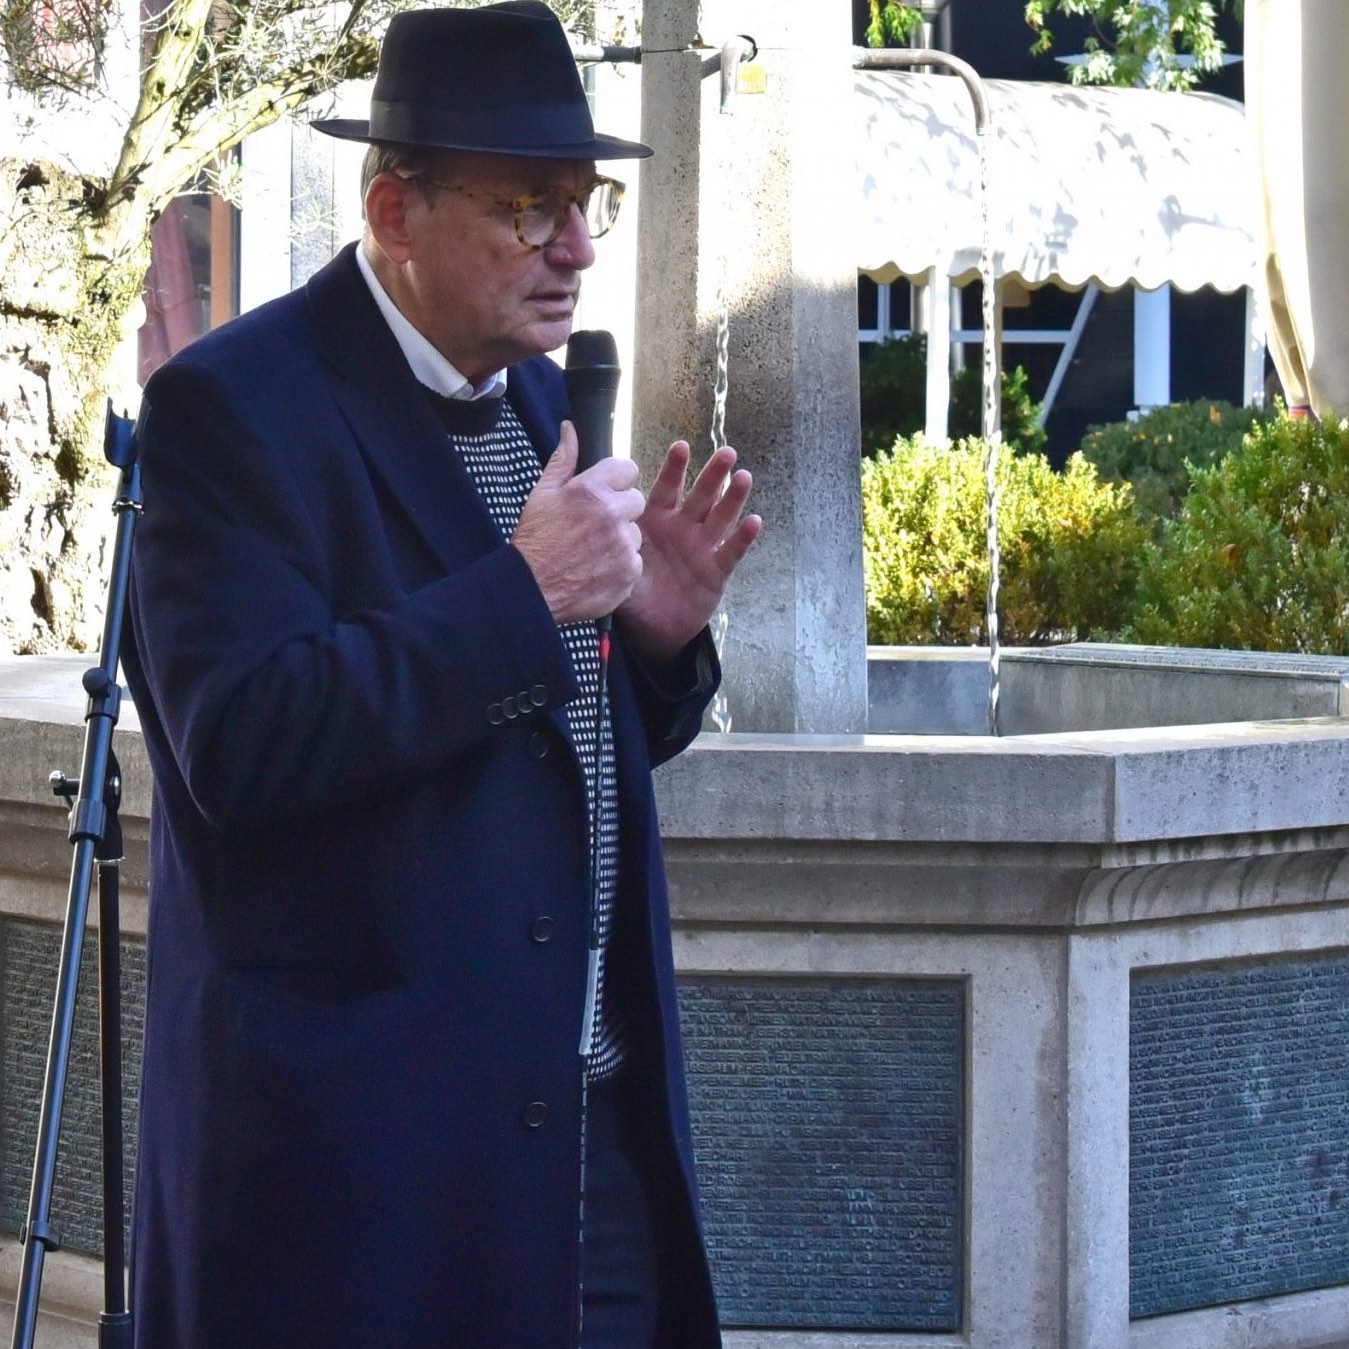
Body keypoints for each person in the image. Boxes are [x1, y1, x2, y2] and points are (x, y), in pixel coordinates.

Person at [119, 4, 761, 1345]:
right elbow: (243, 739)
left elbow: (524, 744)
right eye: (528, 208)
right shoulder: (235, 410)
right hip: (364, 1186)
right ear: (394, 210)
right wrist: (527, 595)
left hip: (581, 1140)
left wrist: (649, 649)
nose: (576, 248)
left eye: (584, 204)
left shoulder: (535, 397)